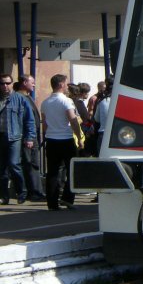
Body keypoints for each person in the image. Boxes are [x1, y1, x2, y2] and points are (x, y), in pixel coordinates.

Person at [41, 74, 83, 211]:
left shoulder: (45, 102)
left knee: (52, 172)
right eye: (65, 84)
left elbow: (45, 124)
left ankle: (52, 203)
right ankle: (67, 198)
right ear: (60, 85)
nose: (67, 87)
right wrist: (79, 137)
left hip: (51, 139)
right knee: (72, 170)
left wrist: (47, 135)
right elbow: (73, 120)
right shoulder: (66, 101)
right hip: (66, 138)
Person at [0, 73, 36, 204]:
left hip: (14, 136)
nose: (5, 86)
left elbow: (29, 120)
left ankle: (21, 192)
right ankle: (4, 196)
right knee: (2, 169)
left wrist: (30, 138)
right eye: (2, 83)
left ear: (11, 84)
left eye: (7, 83)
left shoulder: (19, 99)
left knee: (14, 164)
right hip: (1, 136)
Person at [16, 74, 46, 201]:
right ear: (24, 82)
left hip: (32, 136)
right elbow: (27, 120)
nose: (34, 85)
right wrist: (29, 137)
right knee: (31, 163)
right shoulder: (20, 98)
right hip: (28, 137)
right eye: (31, 82)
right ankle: (34, 192)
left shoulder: (27, 97)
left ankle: (35, 191)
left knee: (32, 163)